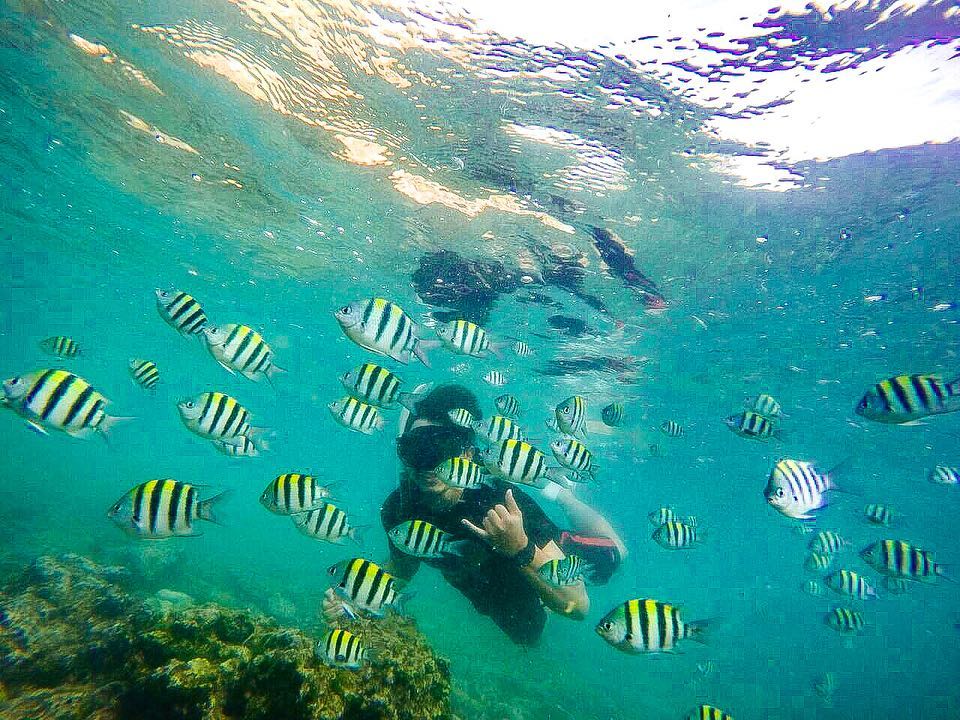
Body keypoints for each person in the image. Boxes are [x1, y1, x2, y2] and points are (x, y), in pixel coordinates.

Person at [323, 384, 624, 647]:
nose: (428, 464)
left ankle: (566, 498)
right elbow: (401, 569)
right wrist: (352, 596)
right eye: (415, 449)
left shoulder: (503, 504)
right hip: (489, 591)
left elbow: (579, 606)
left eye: (441, 448)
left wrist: (520, 547)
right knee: (527, 637)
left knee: (613, 555)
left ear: (468, 453)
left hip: (535, 556)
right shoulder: (400, 510)